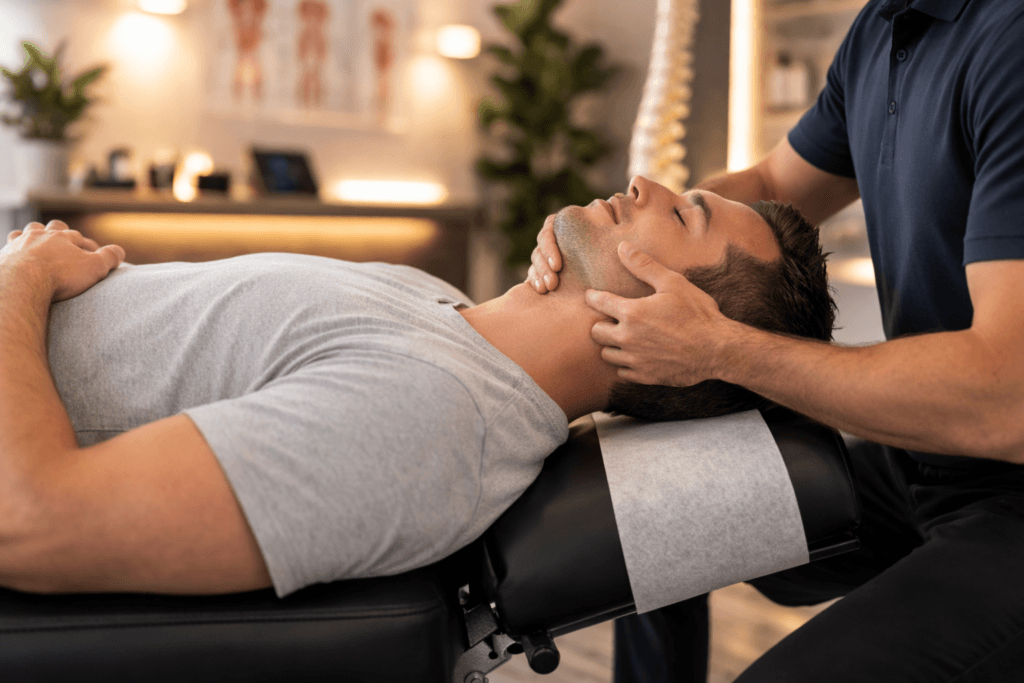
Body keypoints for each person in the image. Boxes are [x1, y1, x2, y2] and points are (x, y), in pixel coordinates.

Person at [0, 183, 830, 600]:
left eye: (682, 216)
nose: (645, 183)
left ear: (676, 329)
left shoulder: (430, 419)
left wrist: (24, 277)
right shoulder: (437, 304)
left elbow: (30, 521)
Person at [528, 0, 1024, 680]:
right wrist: (626, 240)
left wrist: (722, 346)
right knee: (654, 524)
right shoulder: (882, 29)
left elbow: (1005, 398)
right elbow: (769, 186)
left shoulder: (1009, 44)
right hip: (926, 460)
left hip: (1009, 486)